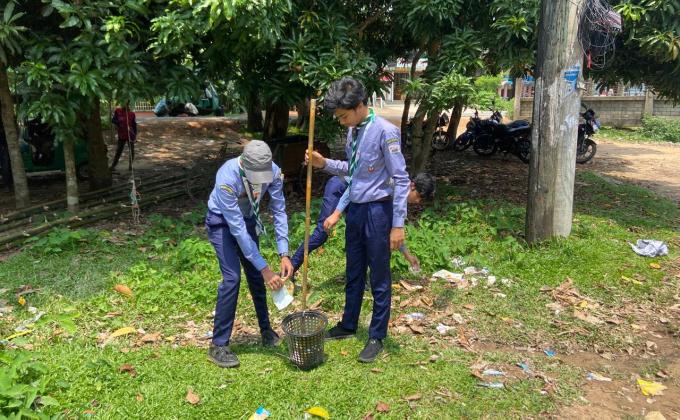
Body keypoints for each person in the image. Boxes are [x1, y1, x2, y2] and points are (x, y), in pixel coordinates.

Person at [306, 76, 410, 363]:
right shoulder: (354, 131)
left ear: (359, 105)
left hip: (378, 211)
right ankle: (348, 324)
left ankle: (376, 335)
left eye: (343, 116)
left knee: (379, 276)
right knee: (353, 270)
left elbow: (401, 179)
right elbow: (353, 173)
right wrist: (324, 164)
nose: (342, 122)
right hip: (356, 211)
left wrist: (398, 224)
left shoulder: (385, 132)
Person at [205, 140, 293, 368]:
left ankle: (266, 330)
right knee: (232, 278)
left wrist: (284, 252)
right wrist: (266, 269)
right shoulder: (227, 177)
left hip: (248, 219)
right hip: (222, 222)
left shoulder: (273, 172)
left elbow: (279, 210)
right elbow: (237, 230)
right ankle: (218, 345)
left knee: (255, 277)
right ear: (244, 164)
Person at [289, 173, 436, 275]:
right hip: (342, 187)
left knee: (363, 234)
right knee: (322, 233)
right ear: (412, 186)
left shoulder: (400, 202)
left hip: (357, 198)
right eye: (419, 197)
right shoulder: (391, 182)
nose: (418, 202)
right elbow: (354, 186)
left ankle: (357, 277)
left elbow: (394, 231)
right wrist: (336, 213)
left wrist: (408, 256)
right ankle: (290, 268)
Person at [110, 103, 137, 171]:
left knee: (131, 151)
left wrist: (135, 135)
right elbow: (113, 120)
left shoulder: (132, 114)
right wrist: (119, 123)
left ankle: (130, 166)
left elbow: (134, 125)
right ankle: (113, 166)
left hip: (130, 134)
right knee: (119, 150)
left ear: (128, 105)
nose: (125, 105)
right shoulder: (118, 111)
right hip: (121, 134)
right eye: (123, 103)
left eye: (127, 104)